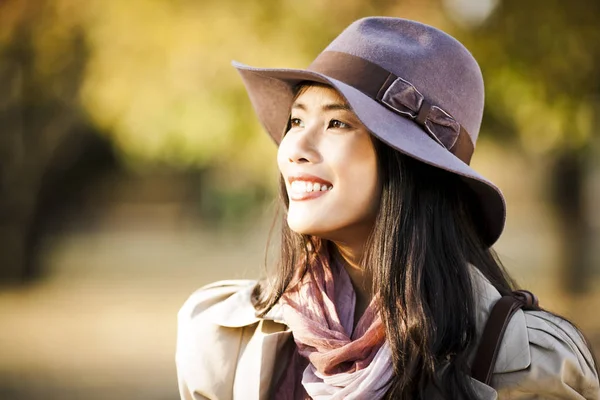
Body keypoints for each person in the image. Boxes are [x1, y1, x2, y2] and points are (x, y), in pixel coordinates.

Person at [175, 17, 600, 399]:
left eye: (337, 123)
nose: (295, 149)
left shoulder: (529, 365)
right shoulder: (226, 341)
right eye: (297, 121)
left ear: (410, 165)